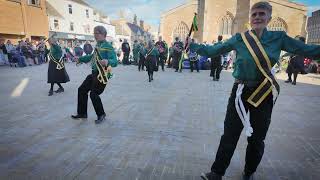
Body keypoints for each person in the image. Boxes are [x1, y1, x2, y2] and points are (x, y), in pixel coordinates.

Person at [188, 2, 320, 180]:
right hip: (240, 91)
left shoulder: (278, 37)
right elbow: (213, 50)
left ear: (269, 18)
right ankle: (216, 172)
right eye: (254, 14)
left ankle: (249, 171)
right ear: (250, 18)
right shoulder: (240, 38)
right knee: (230, 134)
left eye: (261, 14)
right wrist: (194, 46)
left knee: (257, 138)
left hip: (263, 92)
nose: (257, 17)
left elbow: (306, 49)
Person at [72, 26, 118, 124]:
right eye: (94, 33)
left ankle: (101, 115)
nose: (95, 35)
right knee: (82, 89)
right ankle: (82, 113)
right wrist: (80, 59)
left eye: (96, 33)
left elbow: (115, 61)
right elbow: (92, 57)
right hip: (94, 73)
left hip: (102, 75)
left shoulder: (107, 46)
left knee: (94, 94)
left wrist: (107, 61)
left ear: (102, 34)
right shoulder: (98, 45)